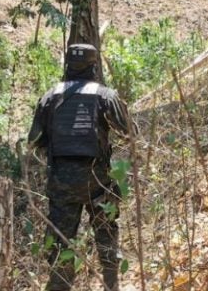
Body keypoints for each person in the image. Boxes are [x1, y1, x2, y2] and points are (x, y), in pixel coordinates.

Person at [28, 43, 134, 291]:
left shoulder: (49, 95)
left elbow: (33, 140)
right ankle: (111, 284)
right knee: (105, 232)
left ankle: (60, 286)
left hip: (61, 181)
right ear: (94, 66)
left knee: (60, 241)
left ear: (67, 65)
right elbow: (129, 132)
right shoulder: (105, 95)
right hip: (97, 179)